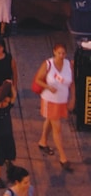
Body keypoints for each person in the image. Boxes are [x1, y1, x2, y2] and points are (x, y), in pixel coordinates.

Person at [34, 42, 75, 172]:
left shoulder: (69, 64)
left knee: (50, 122)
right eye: (59, 53)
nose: (61, 55)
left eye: (63, 53)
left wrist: (73, 98)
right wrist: (48, 87)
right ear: (54, 52)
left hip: (62, 100)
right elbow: (38, 80)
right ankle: (63, 157)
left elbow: (71, 83)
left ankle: (43, 141)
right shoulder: (48, 64)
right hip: (49, 100)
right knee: (57, 127)